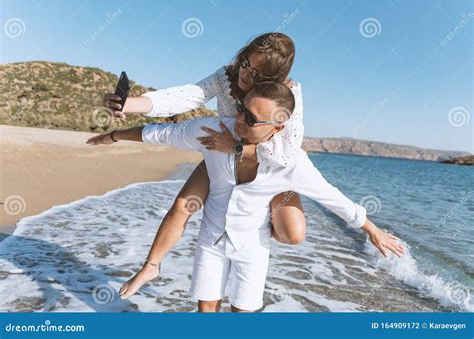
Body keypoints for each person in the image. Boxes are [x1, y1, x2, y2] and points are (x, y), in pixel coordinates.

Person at [87, 82, 405, 312]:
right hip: (211, 238)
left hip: (253, 246)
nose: (240, 120)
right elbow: (159, 133)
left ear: (278, 128)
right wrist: (113, 135)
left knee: (243, 314)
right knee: (206, 310)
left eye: (252, 119)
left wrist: (372, 230)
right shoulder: (213, 131)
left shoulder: (291, 163)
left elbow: (333, 198)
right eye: (242, 110)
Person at [103, 32, 308, 252]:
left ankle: (253, 225)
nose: (245, 74)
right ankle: (150, 267)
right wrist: (129, 104)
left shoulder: (288, 94)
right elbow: (188, 95)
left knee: (293, 234)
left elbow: (286, 154)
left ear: (271, 80)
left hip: (265, 167)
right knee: (182, 206)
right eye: (246, 62)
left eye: (257, 74)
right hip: (222, 155)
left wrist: (236, 146)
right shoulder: (226, 76)